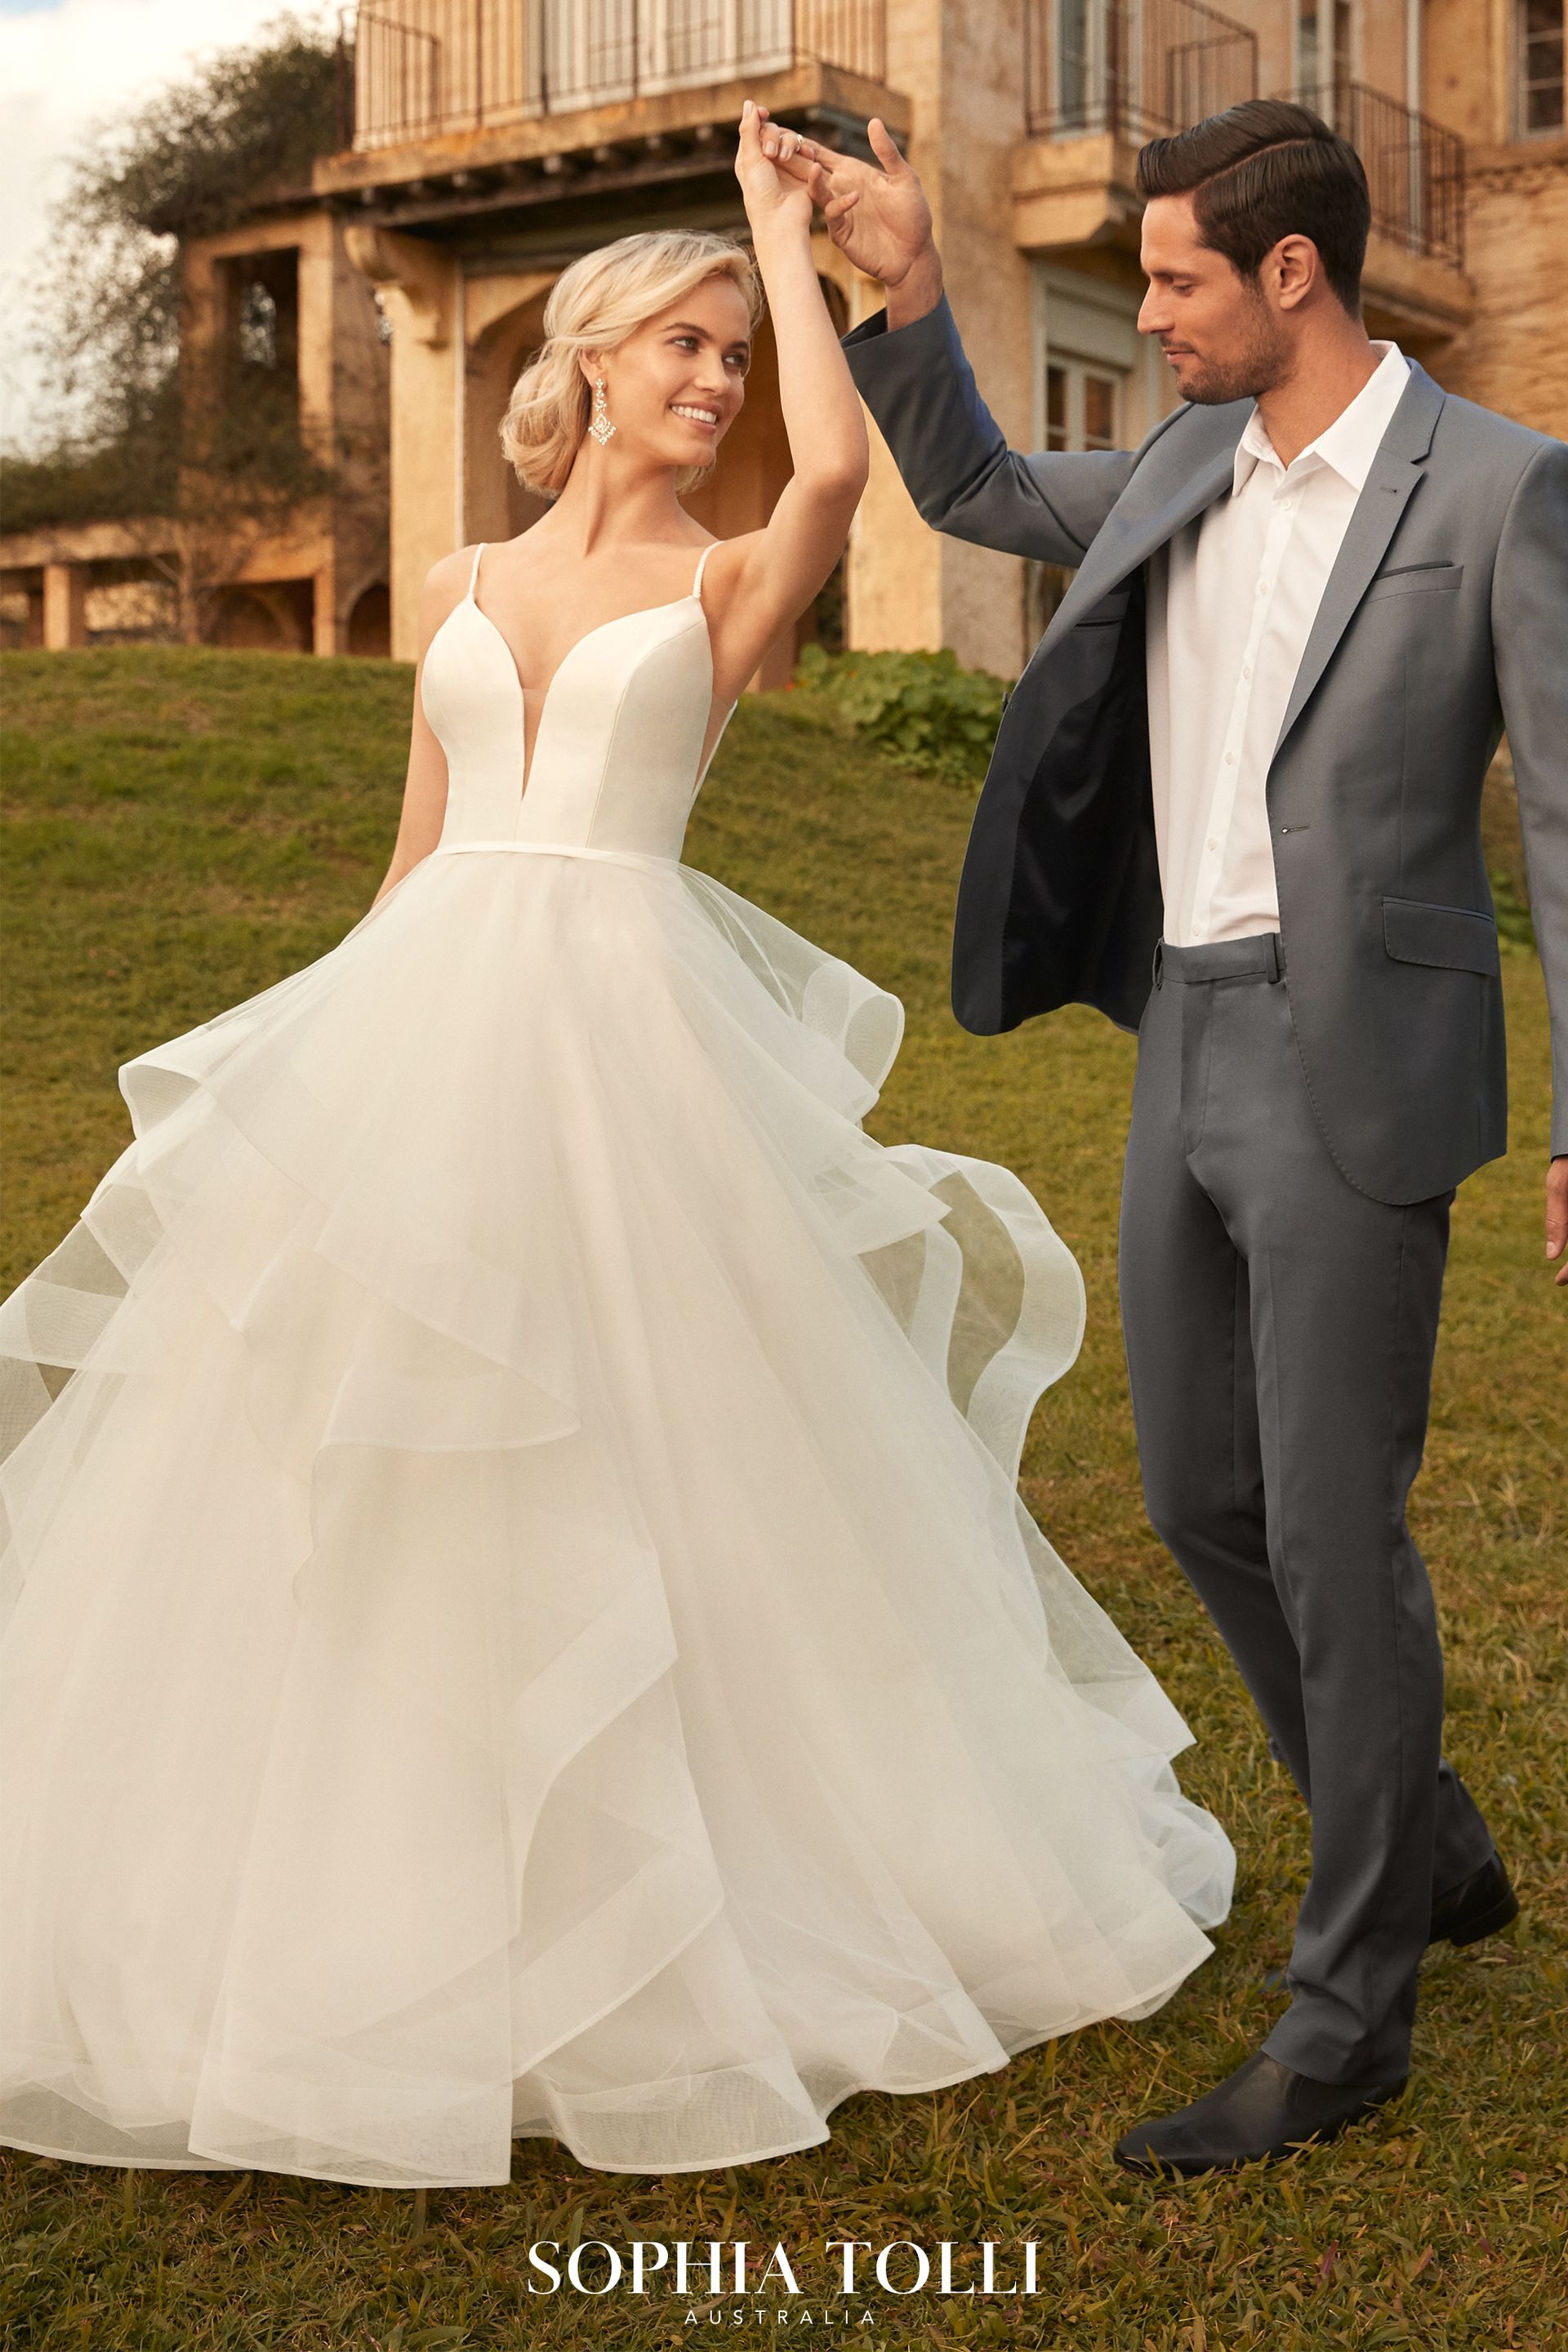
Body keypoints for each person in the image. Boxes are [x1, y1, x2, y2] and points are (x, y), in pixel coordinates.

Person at [0, 103, 1233, 2193]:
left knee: (657, 1450)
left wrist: (781, 236)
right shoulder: (464, 581)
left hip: (631, 1055)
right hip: (430, 1033)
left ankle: (675, 1885)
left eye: (728, 352)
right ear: (574, 370)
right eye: (677, 346)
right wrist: (315, 1101)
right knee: (374, 1459)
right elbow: (413, 859)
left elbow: (845, 466)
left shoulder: (738, 574)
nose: (713, 379)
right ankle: (372, 1875)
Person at [764, 94, 1566, 2176]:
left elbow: (1567, 827)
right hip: (1180, 1043)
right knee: (1200, 1495)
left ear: (1289, 274)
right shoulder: (1186, 461)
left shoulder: (1505, 493)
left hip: (1356, 1062)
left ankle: (1349, 2010)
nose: (1153, 309)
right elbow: (961, 481)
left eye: (1180, 277)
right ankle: (1437, 1854)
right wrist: (906, 279)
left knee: (1330, 1523)